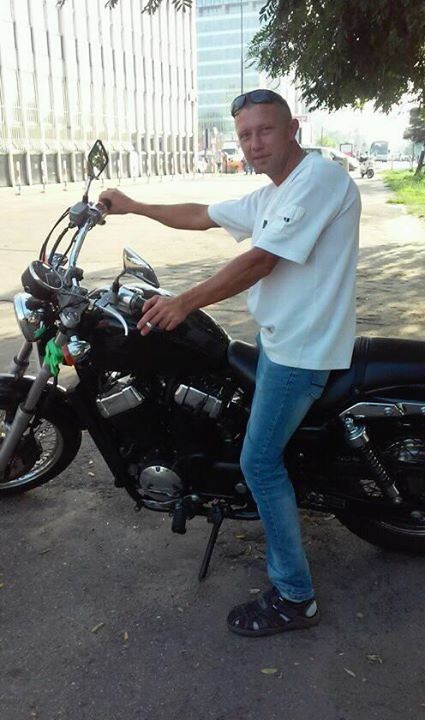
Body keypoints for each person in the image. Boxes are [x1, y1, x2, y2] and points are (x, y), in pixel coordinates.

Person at [99, 88, 361, 638]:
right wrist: (135, 206)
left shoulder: (319, 178)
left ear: (293, 128)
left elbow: (261, 261)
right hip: (281, 340)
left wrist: (183, 302)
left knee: (259, 464)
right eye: (245, 135)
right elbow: (201, 214)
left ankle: (295, 597)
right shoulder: (273, 193)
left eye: (265, 130)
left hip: (300, 351)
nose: (254, 143)